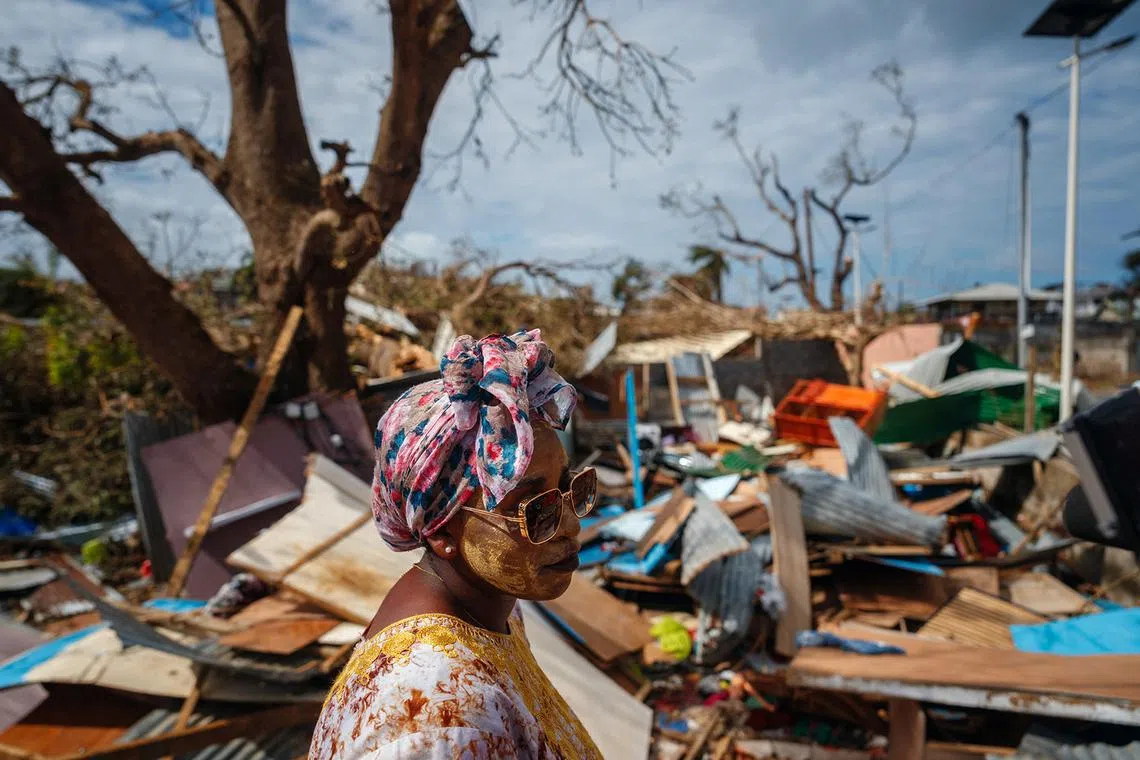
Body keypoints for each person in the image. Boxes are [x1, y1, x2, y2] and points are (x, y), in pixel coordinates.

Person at [310, 329, 603, 760]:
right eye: (534, 509)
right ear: (443, 532)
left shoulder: (494, 612)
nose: (571, 526)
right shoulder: (437, 713)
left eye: (571, 489)